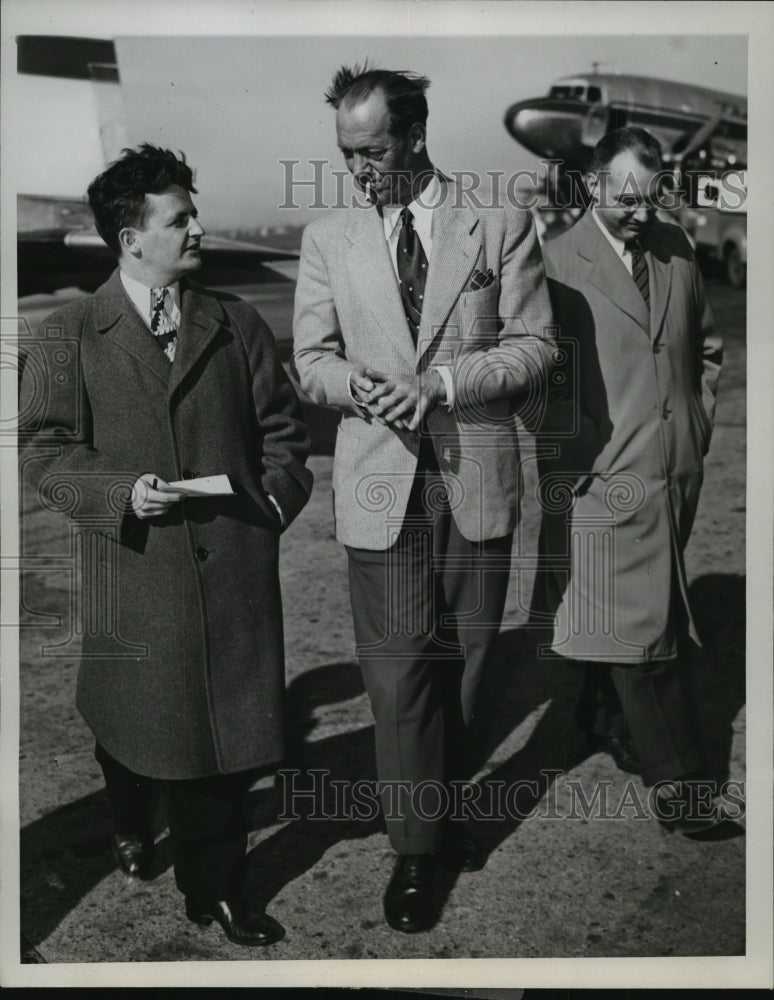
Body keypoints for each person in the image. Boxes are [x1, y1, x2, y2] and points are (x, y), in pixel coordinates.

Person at [19, 144, 313, 945]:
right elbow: (43, 450)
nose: (199, 229)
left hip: (233, 573)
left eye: (194, 212)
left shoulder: (237, 322)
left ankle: (213, 890)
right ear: (131, 237)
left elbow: (286, 436)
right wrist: (120, 493)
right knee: (135, 728)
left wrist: (273, 508)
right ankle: (128, 814)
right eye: (180, 218)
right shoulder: (68, 332)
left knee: (218, 743)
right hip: (135, 571)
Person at [292, 65, 555, 932]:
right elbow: (312, 360)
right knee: (401, 671)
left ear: (413, 136)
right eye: (345, 154)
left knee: (470, 663)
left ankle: (440, 810)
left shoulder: (502, 221)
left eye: (371, 151)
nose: (358, 170)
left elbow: (533, 348)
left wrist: (443, 382)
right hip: (379, 480)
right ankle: (414, 850)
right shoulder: (329, 238)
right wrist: (353, 386)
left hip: (475, 475)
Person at [531, 127, 725, 833]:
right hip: (602, 482)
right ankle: (685, 789)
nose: (641, 210)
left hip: (675, 474)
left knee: (637, 621)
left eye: (651, 194)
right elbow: (537, 381)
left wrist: (695, 425)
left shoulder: (675, 249)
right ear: (590, 186)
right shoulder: (553, 263)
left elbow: (705, 347)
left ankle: (601, 719)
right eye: (625, 197)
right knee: (649, 643)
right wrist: (580, 453)